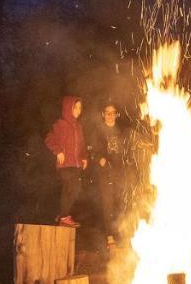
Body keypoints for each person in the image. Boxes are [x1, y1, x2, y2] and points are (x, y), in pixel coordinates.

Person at [45, 96, 88, 227]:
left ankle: (62, 214)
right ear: (68, 108)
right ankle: (64, 216)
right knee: (71, 187)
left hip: (76, 164)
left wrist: (84, 157)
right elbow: (49, 139)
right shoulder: (60, 124)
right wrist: (58, 151)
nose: (78, 110)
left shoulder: (78, 126)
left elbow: (82, 145)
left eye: (80, 107)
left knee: (74, 188)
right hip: (65, 164)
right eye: (76, 107)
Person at [94, 102, 130, 246]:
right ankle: (110, 236)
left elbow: (126, 150)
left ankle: (121, 235)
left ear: (116, 114)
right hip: (105, 175)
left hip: (120, 173)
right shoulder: (98, 132)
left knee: (120, 204)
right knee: (107, 205)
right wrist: (99, 158)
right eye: (107, 112)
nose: (110, 115)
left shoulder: (120, 131)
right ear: (103, 114)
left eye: (113, 112)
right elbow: (92, 150)